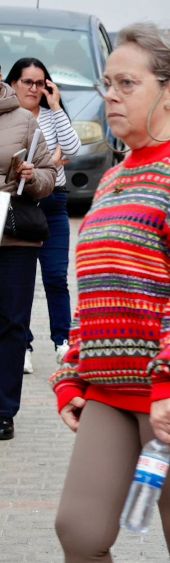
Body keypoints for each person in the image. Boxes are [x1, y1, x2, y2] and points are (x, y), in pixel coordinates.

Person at [50, 22, 170, 563]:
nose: (109, 95)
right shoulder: (113, 181)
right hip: (111, 387)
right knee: (80, 532)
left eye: (126, 84)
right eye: (106, 83)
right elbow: (96, 287)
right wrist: (73, 371)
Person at [5, 58, 81, 373]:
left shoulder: (50, 116)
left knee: (55, 276)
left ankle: (62, 342)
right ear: (13, 84)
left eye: (41, 83)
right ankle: (23, 345)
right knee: (19, 282)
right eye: (28, 82)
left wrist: (57, 105)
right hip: (19, 205)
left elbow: (73, 148)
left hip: (53, 204)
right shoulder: (8, 119)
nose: (35, 89)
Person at [0, 63, 55, 441]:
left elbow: (51, 177)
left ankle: (4, 410)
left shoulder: (23, 118)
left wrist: (33, 176)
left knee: (11, 324)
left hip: (13, 239)